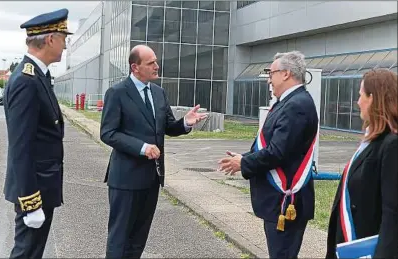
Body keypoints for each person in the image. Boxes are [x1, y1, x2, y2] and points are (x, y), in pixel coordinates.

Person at [100, 44, 208, 258]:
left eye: (156, 61)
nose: (157, 66)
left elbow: (168, 126)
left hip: (152, 178)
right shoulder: (117, 93)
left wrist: (185, 122)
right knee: (120, 238)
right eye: (151, 63)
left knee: (139, 239)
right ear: (135, 67)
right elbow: (108, 133)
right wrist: (142, 148)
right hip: (126, 180)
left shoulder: (158, 93)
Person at [218, 51, 318, 258]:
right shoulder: (287, 103)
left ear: (286, 74)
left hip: (287, 200)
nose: (268, 80)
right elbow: (273, 146)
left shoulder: (297, 105)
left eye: (270, 73)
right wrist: (244, 158)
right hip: (278, 200)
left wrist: (245, 162)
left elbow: (278, 152)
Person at [3, 8, 72, 259]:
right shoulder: (26, 80)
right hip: (34, 190)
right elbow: (21, 147)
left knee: (33, 252)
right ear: (50, 39)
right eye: (64, 38)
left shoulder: (39, 76)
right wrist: (30, 203)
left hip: (44, 184)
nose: (65, 45)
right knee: (26, 253)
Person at [325, 69, 398, 258]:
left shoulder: (391, 145)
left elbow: (392, 213)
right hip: (351, 244)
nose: (357, 102)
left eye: (360, 95)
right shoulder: (372, 141)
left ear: (372, 98)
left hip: (369, 248)